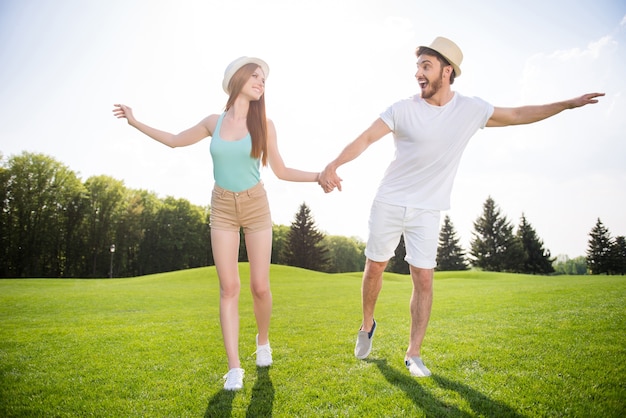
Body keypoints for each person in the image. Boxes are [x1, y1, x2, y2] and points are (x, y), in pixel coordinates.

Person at [319, 36, 604, 377]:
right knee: (376, 266)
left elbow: (515, 115)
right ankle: (367, 324)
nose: (418, 74)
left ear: (447, 70)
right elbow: (365, 138)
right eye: (417, 67)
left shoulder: (469, 110)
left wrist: (567, 104)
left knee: (424, 279)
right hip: (390, 200)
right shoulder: (402, 108)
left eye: (426, 67)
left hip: (428, 209)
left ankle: (414, 353)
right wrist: (334, 164)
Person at [113, 57, 321, 391]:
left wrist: (318, 176)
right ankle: (234, 367)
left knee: (259, 286)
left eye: (263, 78)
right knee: (229, 288)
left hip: (256, 207)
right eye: (254, 75)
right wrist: (136, 122)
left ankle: (262, 341)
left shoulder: (265, 124)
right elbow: (175, 140)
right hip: (222, 208)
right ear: (237, 79)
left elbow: (281, 170)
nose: (261, 81)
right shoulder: (214, 121)